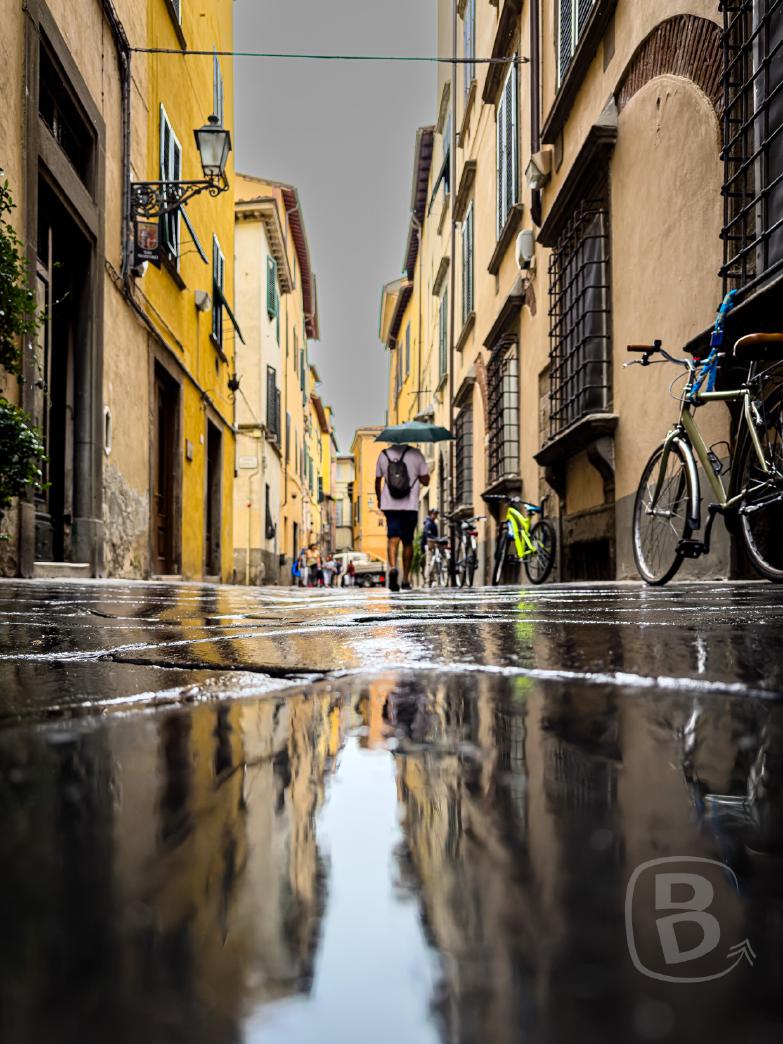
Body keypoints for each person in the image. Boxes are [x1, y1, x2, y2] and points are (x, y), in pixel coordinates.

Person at [375, 443, 430, 592]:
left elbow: (377, 481)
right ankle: (405, 578)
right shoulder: (417, 454)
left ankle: (393, 568)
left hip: (390, 505)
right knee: (408, 541)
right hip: (410, 505)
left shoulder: (383, 455)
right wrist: (417, 475)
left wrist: (380, 500)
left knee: (393, 538)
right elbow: (426, 481)